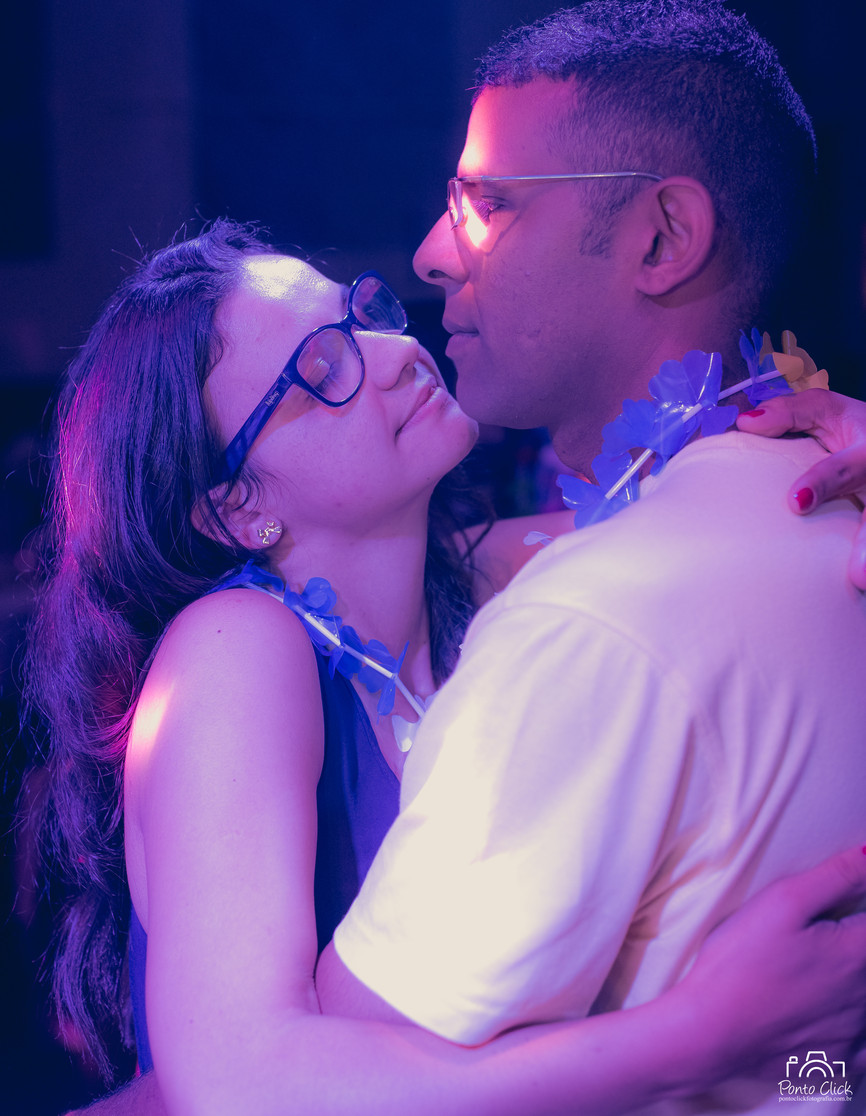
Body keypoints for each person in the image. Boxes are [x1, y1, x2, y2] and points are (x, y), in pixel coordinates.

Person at [23, 223, 866, 1116]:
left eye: (362, 316)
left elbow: (711, 523)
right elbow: (238, 1088)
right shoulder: (234, 647)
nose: (393, 355)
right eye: (322, 371)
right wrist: (700, 1036)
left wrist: (838, 439)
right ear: (236, 507)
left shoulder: (498, 582)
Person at [319, 0, 866, 1114]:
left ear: (660, 237)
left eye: (489, 204)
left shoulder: (589, 618)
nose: (431, 255)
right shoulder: (814, 511)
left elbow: (330, 1082)